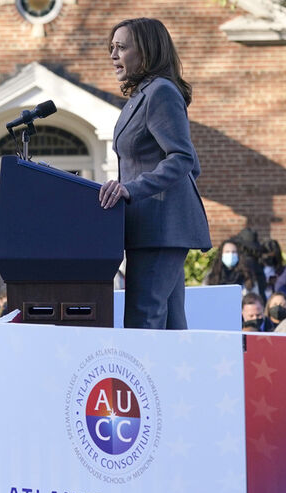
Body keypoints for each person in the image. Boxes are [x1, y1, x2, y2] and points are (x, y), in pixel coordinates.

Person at [99, 18, 211, 330]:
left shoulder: (161, 92)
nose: (113, 55)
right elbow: (192, 164)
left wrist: (131, 189)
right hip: (154, 226)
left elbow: (183, 158)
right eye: (112, 48)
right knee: (171, 325)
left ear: (146, 51)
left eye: (121, 47)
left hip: (160, 228)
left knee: (143, 321)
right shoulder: (142, 95)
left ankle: (149, 382)